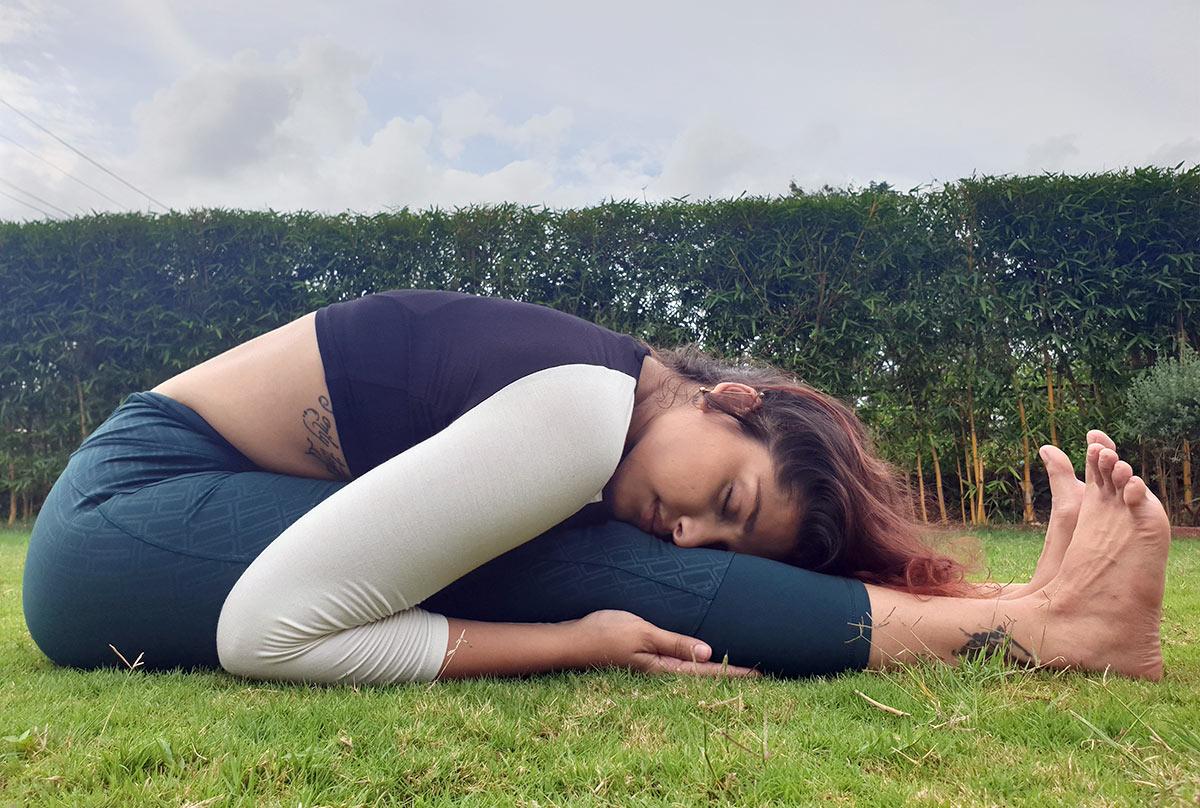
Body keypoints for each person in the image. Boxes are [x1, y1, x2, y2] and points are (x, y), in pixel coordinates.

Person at [21, 289, 1170, 683]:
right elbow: (271, 632)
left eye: (725, 537)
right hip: (122, 527)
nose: (688, 532)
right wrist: (575, 640)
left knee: (600, 560)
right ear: (732, 404)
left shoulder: (599, 405)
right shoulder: (583, 413)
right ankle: (1042, 634)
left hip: (135, 519)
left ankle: (1013, 616)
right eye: (727, 498)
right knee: (589, 572)